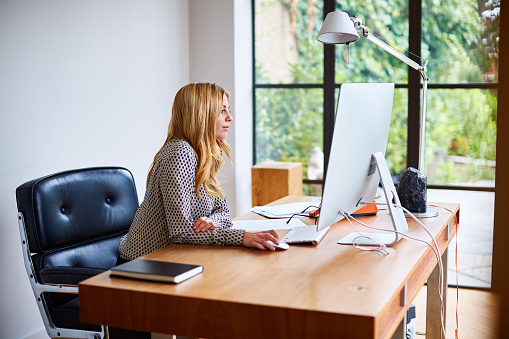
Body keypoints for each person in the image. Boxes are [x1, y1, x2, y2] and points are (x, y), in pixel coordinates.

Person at [118, 82, 280, 263]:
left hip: (180, 257)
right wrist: (242, 237)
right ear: (202, 114)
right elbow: (180, 233)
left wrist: (213, 221)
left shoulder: (202, 153)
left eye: (228, 109)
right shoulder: (179, 153)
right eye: (222, 110)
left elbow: (223, 210)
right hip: (142, 264)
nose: (230, 117)